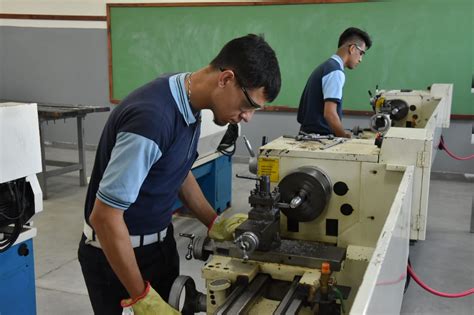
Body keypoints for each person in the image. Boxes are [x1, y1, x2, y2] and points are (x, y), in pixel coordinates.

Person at [78, 34, 281, 315]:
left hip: (160, 247)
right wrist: (141, 297)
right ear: (226, 79)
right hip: (114, 258)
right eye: (248, 105)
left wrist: (214, 222)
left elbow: (178, 172)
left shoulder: (189, 101)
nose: (247, 117)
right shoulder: (151, 119)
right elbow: (105, 217)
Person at [297, 27, 372, 138]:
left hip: (309, 136)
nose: (360, 59)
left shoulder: (326, 66)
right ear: (352, 48)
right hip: (319, 140)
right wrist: (344, 137)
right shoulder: (335, 72)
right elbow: (330, 114)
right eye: (361, 53)